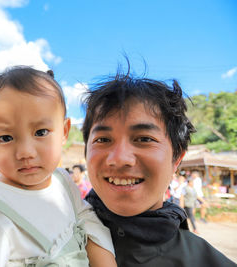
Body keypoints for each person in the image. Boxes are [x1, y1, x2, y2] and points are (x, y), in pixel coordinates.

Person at [0, 66, 116, 266]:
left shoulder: (63, 182)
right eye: (6, 137)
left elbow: (88, 223)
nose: (26, 152)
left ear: (64, 132)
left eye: (41, 132)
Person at [82, 68, 236, 266]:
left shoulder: (204, 261)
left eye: (144, 139)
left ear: (176, 160)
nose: (119, 159)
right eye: (103, 139)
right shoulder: (49, 236)